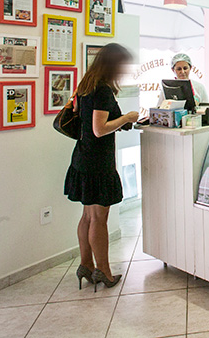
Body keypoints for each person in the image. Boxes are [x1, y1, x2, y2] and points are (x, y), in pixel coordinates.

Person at [63, 43, 138, 291]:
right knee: (99, 219)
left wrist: (120, 121)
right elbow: (99, 129)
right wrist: (127, 118)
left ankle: (85, 264)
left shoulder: (85, 85)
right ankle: (103, 271)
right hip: (98, 162)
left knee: (87, 215)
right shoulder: (103, 90)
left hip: (82, 158)